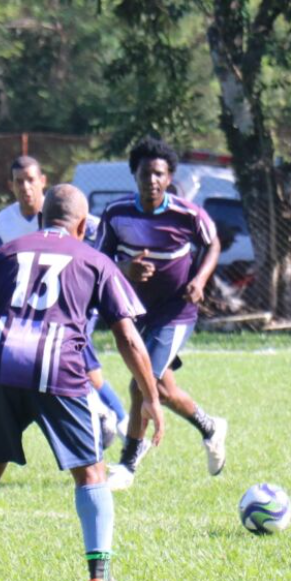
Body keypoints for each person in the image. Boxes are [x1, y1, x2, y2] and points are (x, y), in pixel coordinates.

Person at [0, 184, 164, 581]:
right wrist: (150, 396)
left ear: (41, 219)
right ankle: (100, 580)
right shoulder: (94, 259)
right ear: (82, 226)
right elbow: (128, 337)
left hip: (0, 367)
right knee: (91, 474)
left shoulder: (5, 252)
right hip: (59, 370)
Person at [96, 137, 227, 491]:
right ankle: (211, 427)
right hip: (136, 314)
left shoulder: (187, 214)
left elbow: (212, 244)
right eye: (145, 173)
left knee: (141, 384)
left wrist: (199, 280)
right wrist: (125, 269)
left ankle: (127, 465)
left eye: (159, 174)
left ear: (169, 177)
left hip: (176, 312)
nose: (152, 180)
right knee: (163, 391)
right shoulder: (117, 214)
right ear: (134, 175)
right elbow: (99, 260)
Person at [0, 156, 130, 446]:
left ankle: (109, 418)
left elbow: (100, 235)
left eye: (31, 180)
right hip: (35, 311)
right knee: (85, 369)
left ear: (43, 181)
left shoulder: (64, 212)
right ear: (10, 185)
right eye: (19, 181)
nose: (26, 187)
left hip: (73, 305)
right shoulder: (3, 222)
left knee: (73, 361)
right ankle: (118, 420)